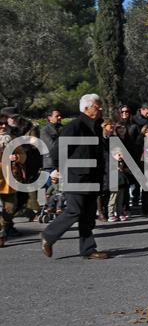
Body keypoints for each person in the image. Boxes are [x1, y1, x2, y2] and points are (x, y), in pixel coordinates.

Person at [40, 94, 108, 259]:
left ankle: (88, 249)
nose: (100, 108)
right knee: (74, 210)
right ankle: (48, 236)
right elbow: (57, 152)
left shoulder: (97, 127)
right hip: (76, 176)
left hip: (93, 176)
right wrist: (60, 170)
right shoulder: (74, 126)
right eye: (96, 106)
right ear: (86, 108)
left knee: (89, 213)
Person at [0, 115, 26, 248]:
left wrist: (17, 157)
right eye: (0, 124)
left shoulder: (13, 140)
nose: (3, 127)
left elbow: (23, 155)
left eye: (5, 124)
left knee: (10, 208)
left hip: (9, 179)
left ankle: (3, 229)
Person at [40, 108, 63, 187]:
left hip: (64, 162)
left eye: (60, 116)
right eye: (57, 116)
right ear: (50, 118)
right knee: (51, 188)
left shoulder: (64, 128)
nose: (59, 117)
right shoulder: (45, 130)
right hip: (50, 163)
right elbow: (51, 145)